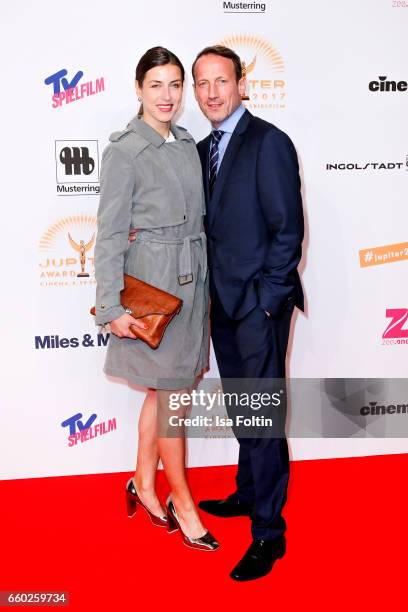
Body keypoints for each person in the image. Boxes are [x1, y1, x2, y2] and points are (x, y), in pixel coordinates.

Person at [94, 46, 218, 552]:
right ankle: (181, 501)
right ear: (139, 89)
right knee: (173, 400)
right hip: (155, 292)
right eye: (156, 86)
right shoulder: (124, 151)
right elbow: (107, 235)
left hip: (196, 283)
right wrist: (110, 308)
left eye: (174, 85)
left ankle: (142, 484)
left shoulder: (188, 143)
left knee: (164, 393)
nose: (167, 96)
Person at [192, 46, 304, 579]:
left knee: (262, 419)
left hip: (258, 308)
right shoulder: (199, 150)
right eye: (202, 84)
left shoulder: (269, 143)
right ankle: (247, 492)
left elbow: (288, 231)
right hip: (222, 305)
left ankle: (269, 534)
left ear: (241, 83)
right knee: (243, 411)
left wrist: (267, 302)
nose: (212, 93)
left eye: (221, 81)